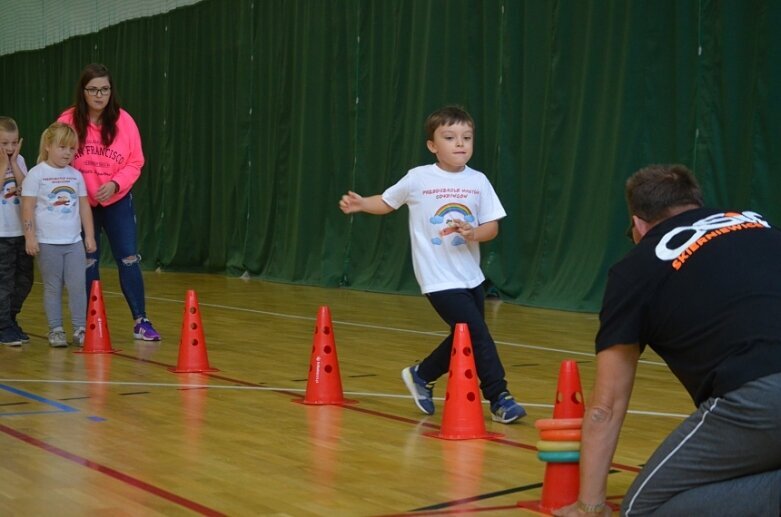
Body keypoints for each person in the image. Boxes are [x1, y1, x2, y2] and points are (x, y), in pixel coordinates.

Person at [555, 164, 781, 516]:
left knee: (643, 510)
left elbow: (606, 406)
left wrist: (589, 505)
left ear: (639, 224)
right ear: (696, 203)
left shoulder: (636, 267)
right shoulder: (759, 223)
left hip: (761, 393)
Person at [338, 105, 526, 424]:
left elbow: (491, 227)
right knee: (477, 335)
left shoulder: (478, 181)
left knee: (464, 335)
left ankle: (421, 374)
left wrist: (472, 232)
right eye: (450, 137)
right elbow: (387, 201)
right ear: (432, 145)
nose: (460, 143)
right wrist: (361, 204)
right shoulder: (419, 178)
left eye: (466, 137)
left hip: (471, 277)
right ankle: (500, 397)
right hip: (438, 279)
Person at [57, 63, 161, 341]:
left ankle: (141, 320)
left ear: (111, 91)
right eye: (93, 89)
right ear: (83, 92)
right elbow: (56, 157)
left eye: (104, 89)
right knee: (88, 260)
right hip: (81, 204)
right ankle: (93, 323)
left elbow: (136, 161)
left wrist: (115, 184)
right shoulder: (67, 121)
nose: (99, 95)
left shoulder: (124, 121)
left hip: (116, 201)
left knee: (128, 258)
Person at [21, 123, 97, 347]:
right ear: (47, 146)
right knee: (53, 287)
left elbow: (84, 207)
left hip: (73, 242)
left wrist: (89, 236)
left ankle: (80, 328)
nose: (67, 153)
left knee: (77, 285)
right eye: (62, 147)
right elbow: (27, 208)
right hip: (47, 243)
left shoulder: (76, 175)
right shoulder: (37, 175)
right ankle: (55, 329)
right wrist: (30, 236)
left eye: (72, 149)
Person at [0, 117, 34, 346]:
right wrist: (4, 165)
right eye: (4, 144)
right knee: (4, 283)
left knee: (25, 280)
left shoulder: (19, 160)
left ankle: (10, 320)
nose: (10, 149)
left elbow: (26, 187)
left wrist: (13, 163)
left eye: (13, 143)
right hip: (2, 235)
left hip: (20, 233)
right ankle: (3, 327)